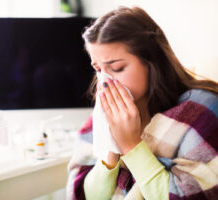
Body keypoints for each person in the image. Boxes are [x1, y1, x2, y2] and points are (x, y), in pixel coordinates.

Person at [66, 6, 218, 200]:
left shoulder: (201, 110)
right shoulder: (98, 119)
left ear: (152, 62)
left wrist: (131, 146)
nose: (105, 80)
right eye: (98, 69)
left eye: (117, 67)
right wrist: (112, 149)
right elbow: (87, 196)